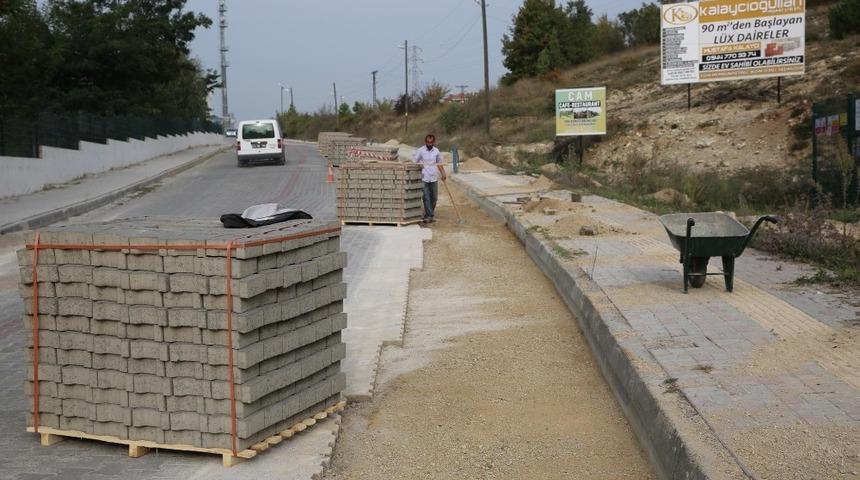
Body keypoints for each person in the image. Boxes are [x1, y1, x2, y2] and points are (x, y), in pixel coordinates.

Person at [413, 134, 446, 223]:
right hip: (424, 177)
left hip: (434, 177)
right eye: (428, 142)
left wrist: (443, 173)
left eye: (431, 142)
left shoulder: (436, 151)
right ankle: (429, 215)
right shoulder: (421, 150)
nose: (429, 143)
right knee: (426, 197)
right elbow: (414, 161)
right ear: (425, 142)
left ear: (434, 142)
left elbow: (439, 163)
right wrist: (419, 166)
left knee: (434, 198)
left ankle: (429, 213)